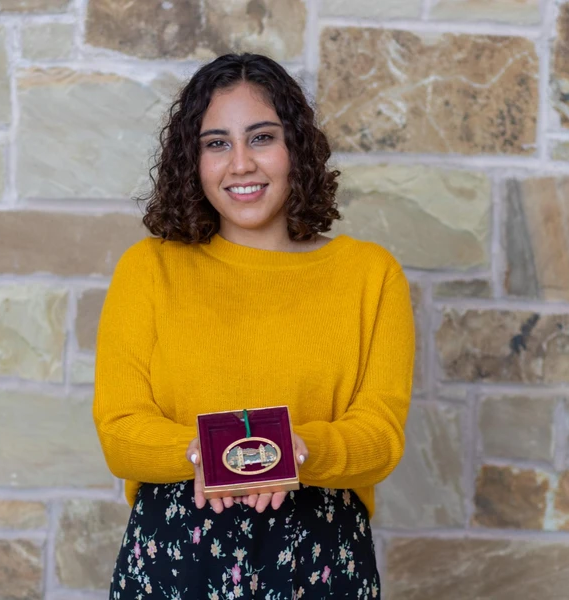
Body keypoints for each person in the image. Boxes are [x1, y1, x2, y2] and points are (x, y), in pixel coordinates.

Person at [93, 53, 415, 600]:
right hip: (177, 558)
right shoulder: (149, 269)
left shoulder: (369, 274)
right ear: (192, 161)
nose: (240, 163)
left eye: (261, 138)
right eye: (217, 143)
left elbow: (380, 436)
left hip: (320, 557)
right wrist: (211, 455)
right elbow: (120, 430)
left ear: (296, 149)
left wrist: (298, 449)